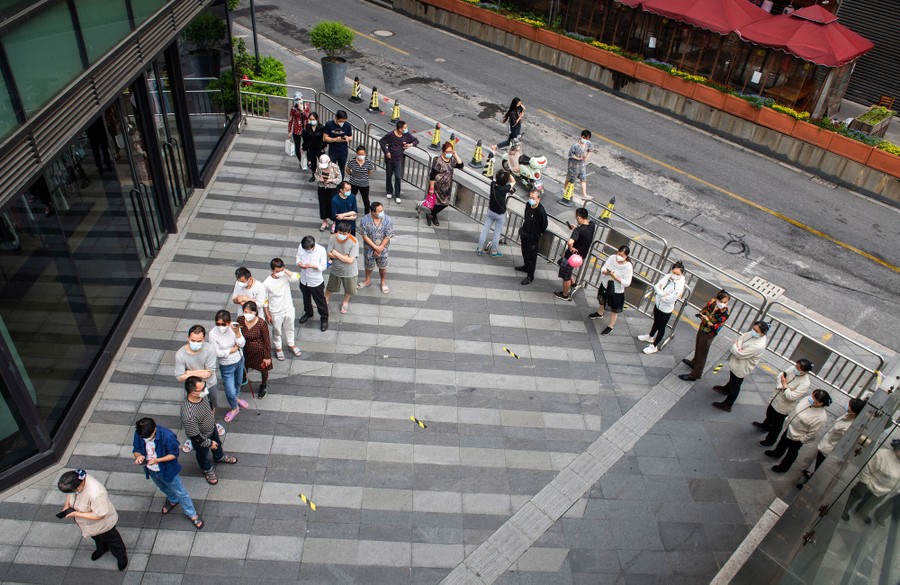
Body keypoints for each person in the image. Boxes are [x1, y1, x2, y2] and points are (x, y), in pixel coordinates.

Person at [132, 417, 203, 529]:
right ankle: (172, 500)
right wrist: (139, 456)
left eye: (148, 438)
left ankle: (192, 514)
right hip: (151, 469)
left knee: (180, 492)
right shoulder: (140, 434)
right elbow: (136, 449)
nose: (145, 440)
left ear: (154, 430)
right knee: (162, 486)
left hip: (167, 469)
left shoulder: (167, 436)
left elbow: (174, 454)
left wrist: (157, 460)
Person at [57, 469, 128, 571]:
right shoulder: (76, 480)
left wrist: (77, 514)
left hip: (103, 525)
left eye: (73, 491)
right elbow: (70, 494)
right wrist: (67, 504)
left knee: (114, 541)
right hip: (89, 525)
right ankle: (102, 548)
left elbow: (100, 515)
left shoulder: (96, 494)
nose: (72, 493)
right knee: (96, 538)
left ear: (79, 486)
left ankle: (121, 557)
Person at [797, 398, 866, 489]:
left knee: (820, 470)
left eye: (849, 406)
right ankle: (812, 475)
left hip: (829, 451)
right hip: (825, 444)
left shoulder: (849, 427)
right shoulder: (848, 415)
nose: (847, 406)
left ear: (854, 412)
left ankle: (810, 486)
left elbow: (845, 444)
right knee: (818, 466)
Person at [181, 376, 238, 485]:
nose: (205, 390)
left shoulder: (202, 397)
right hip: (202, 438)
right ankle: (207, 469)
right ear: (193, 393)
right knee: (202, 454)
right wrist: (209, 443)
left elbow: (209, 407)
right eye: (202, 389)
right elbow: (195, 436)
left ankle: (219, 456)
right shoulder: (188, 414)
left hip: (212, 428)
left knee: (218, 445)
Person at [764, 389, 831, 473]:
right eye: (812, 395)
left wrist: (802, 439)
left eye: (813, 398)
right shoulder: (807, 400)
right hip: (789, 428)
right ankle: (777, 453)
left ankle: (783, 467)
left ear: (820, 403)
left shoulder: (820, 418)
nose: (810, 398)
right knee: (782, 442)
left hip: (797, 437)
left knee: (791, 453)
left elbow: (813, 433)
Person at [711, 321, 770, 412]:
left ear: (762, 333)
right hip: (737, 363)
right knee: (733, 379)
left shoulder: (758, 346)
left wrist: (736, 345)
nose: (753, 331)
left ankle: (727, 405)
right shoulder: (753, 334)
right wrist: (738, 345)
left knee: (736, 385)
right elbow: (741, 339)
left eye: (756, 331)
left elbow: (739, 353)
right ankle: (727, 389)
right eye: (753, 329)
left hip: (742, 366)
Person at [754, 359, 814, 445]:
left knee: (776, 425)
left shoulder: (805, 383)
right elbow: (781, 375)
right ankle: (765, 426)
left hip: (784, 406)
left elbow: (792, 396)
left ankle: (770, 440)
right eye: (796, 365)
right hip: (776, 398)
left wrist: (785, 386)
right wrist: (782, 385)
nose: (795, 368)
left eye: (798, 368)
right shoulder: (792, 369)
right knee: (769, 413)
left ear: (804, 371)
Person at [841, 439, 900, 523]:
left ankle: (862, 511)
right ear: (897, 448)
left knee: (872, 503)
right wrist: (866, 482)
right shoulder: (882, 455)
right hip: (869, 481)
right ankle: (844, 508)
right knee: (857, 494)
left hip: (885, 489)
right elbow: (866, 469)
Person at [679, 290, 731, 381]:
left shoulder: (725, 313)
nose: (722, 304)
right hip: (702, 328)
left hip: (709, 333)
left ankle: (695, 374)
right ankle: (694, 363)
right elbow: (704, 310)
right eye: (720, 301)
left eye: (725, 302)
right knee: (698, 346)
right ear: (716, 299)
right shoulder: (712, 302)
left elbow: (715, 327)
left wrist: (706, 319)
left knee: (702, 353)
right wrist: (702, 316)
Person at [638, 261, 686, 353]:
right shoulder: (668, 276)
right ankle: (650, 336)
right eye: (674, 272)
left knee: (661, 327)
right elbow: (656, 286)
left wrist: (661, 292)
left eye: (677, 274)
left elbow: (669, 299)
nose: (674, 275)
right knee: (656, 321)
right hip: (658, 304)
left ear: (681, 274)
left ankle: (654, 346)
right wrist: (663, 293)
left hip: (666, 309)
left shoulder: (679, 285)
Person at [208, 309, 247, 423]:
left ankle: (236, 398)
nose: (220, 326)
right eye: (218, 324)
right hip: (226, 365)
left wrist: (237, 332)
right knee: (229, 390)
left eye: (223, 324)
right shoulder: (213, 334)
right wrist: (232, 350)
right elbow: (216, 353)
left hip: (239, 360)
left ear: (229, 322)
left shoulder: (234, 327)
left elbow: (242, 343)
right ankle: (235, 408)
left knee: (238, 382)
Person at [263, 258, 302, 361]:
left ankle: (291, 344)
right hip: (275, 312)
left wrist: (286, 271)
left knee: (290, 329)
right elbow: (265, 301)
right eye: (277, 271)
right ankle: (278, 348)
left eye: (281, 270)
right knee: (277, 332)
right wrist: (267, 314)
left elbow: (297, 277)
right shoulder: (267, 283)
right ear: (272, 270)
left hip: (288, 308)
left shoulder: (285, 276)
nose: (279, 273)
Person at [174, 325, 219, 414]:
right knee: (196, 408)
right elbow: (179, 377)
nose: (195, 343)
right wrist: (200, 373)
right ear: (188, 338)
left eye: (199, 341)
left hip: (210, 384)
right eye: (193, 340)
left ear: (204, 339)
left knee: (212, 404)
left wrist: (188, 372)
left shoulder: (210, 349)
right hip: (193, 387)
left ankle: (212, 419)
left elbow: (208, 373)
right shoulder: (180, 354)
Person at [589, 245, 633, 334]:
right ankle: (600, 313)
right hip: (605, 285)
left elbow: (627, 283)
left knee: (614, 308)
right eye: (618, 254)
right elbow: (604, 267)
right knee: (602, 299)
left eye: (622, 255)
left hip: (616, 290)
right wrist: (606, 272)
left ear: (626, 256)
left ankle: (610, 326)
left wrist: (616, 277)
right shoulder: (612, 258)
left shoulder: (628, 266)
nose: (619, 256)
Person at [554, 207, 595, 301]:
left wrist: (571, 248)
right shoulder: (592, 225)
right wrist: (576, 229)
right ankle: (573, 284)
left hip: (571, 257)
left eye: (576, 217)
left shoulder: (578, 231)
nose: (576, 219)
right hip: (581, 256)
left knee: (566, 276)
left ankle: (565, 294)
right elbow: (583, 232)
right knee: (564, 267)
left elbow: (570, 242)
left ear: (579, 217)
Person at [379, 120, 420, 203]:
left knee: (398, 177)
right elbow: (382, 142)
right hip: (390, 160)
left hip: (399, 160)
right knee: (389, 176)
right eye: (405, 128)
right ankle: (389, 191)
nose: (406, 129)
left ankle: (397, 195)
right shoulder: (391, 135)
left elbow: (416, 141)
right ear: (400, 129)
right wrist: (386, 152)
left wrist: (410, 144)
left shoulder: (407, 135)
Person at [237, 301, 272, 398]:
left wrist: (267, 356)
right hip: (245, 349)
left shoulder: (261, 323)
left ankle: (263, 385)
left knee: (263, 369)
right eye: (246, 311)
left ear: (255, 312)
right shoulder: (240, 320)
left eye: (250, 312)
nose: (248, 314)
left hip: (259, 351)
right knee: (244, 365)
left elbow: (266, 341)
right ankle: (243, 378)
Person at [358, 201, 394, 294]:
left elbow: (388, 235)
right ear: (373, 212)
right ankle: (367, 280)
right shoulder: (365, 220)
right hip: (369, 248)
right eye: (379, 211)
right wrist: (375, 247)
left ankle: (383, 282)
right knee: (368, 265)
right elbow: (364, 235)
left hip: (383, 248)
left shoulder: (387, 220)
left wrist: (380, 247)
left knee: (383, 266)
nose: (382, 212)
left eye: (382, 210)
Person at [426, 141, 464, 227]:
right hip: (437, 187)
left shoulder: (452, 160)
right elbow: (432, 175)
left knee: (445, 203)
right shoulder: (438, 161)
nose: (449, 153)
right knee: (435, 203)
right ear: (443, 151)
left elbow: (461, 165)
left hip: (446, 188)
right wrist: (431, 188)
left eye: (451, 151)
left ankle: (431, 215)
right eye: (448, 152)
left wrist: (455, 155)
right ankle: (433, 216)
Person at [514, 189, 548, 285]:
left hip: (533, 237)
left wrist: (536, 233)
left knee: (532, 257)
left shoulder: (541, 211)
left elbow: (544, 225)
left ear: (538, 199)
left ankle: (530, 276)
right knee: (524, 252)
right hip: (525, 233)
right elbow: (526, 215)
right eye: (530, 197)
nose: (531, 199)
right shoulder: (528, 205)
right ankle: (526, 266)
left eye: (533, 198)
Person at [296, 235, 329, 331]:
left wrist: (311, 266)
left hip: (315, 281)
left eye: (307, 249)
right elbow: (298, 257)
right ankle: (308, 313)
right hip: (304, 279)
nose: (305, 251)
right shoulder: (301, 246)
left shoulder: (321, 250)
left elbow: (323, 267)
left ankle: (324, 318)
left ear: (313, 246)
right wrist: (299, 263)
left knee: (320, 301)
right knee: (306, 298)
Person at [477, 169, 514, 258]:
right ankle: (493, 252)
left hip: (491, 211)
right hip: (500, 214)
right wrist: (508, 174)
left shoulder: (492, 185)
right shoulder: (505, 188)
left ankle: (479, 249)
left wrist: (502, 174)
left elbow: (496, 179)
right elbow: (513, 181)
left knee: (485, 229)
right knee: (497, 233)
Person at [326, 221, 359, 314]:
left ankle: (345, 302)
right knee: (330, 286)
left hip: (350, 270)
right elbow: (329, 253)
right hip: (336, 268)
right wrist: (345, 256)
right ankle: (326, 300)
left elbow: (350, 261)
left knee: (349, 289)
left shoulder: (354, 241)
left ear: (349, 233)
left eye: (344, 233)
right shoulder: (333, 237)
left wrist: (336, 253)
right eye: (340, 233)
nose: (341, 235)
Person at [564, 129, 594, 202]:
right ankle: (565, 189)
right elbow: (571, 155)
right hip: (573, 165)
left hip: (582, 165)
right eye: (585, 138)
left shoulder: (588, 144)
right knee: (570, 179)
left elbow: (591, 150)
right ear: (582, 136)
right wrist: (578, 158)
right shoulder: (575, 145)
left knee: (583, 179)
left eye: (587, 138)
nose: (586, 140)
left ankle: (584, 194)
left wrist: (587, 157)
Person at [323, 109, 352, 179]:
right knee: (331, 168)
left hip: (343, 151)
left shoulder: (347, 125)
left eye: (344, 121)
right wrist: (335, 139)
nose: (342, 123)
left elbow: (351, 137)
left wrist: (347, 138)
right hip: (333, 151)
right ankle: (332, 182)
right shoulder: (329, 125)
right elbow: (325, 138)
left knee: (341, 169)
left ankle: (340, 184)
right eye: (340, 121)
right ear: (336, 118)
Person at [346, 145, 375, 214]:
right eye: (359, 154)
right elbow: (347, 170)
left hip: (364, 184)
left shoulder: (368, 162)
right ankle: (350, 211)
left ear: (365, 154)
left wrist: (364, 177)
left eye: (362, 154)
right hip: (353, 183)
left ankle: (367, 214)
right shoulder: (352, 161)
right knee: (351, 198)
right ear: (356, 153)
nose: (361, 155)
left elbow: (370, 172)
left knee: (366, 200)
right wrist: (352, 175)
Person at [315, 154, 341, 232]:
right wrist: (319, 179)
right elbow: (316, 174)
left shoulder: (335, 167)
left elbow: (339, 178)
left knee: (332, 205)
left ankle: (334, 222)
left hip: (332, 189)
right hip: (322, 188)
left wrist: (331, 180)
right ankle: (324, 221)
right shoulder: (319, 167)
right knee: (322, 204)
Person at [287, 92, 310, 169]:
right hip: (297, 129)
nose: (298, 101)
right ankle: (301, 161)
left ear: (302, 99)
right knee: (297, 146)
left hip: (306, 129)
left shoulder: (306, 106)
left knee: (307, 145)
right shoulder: (293, 108)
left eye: (299, 99)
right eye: (296, 99)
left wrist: (302, 110)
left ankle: (308, 161)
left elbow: (308, 117)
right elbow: (291, 119)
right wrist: (289, 130)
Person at [301, 112, 324, 182]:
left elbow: (323, 137)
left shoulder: (321, 127)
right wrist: (304, 147)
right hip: (311, 147)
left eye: (313, 119)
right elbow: (306, 138)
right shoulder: (308, 126)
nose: (312, 121)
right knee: (313, 162)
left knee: (322, 161)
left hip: (319, 147)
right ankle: (314, 174)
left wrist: (323, 146)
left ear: (317, 119)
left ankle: (321, 175)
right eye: (310, 119)